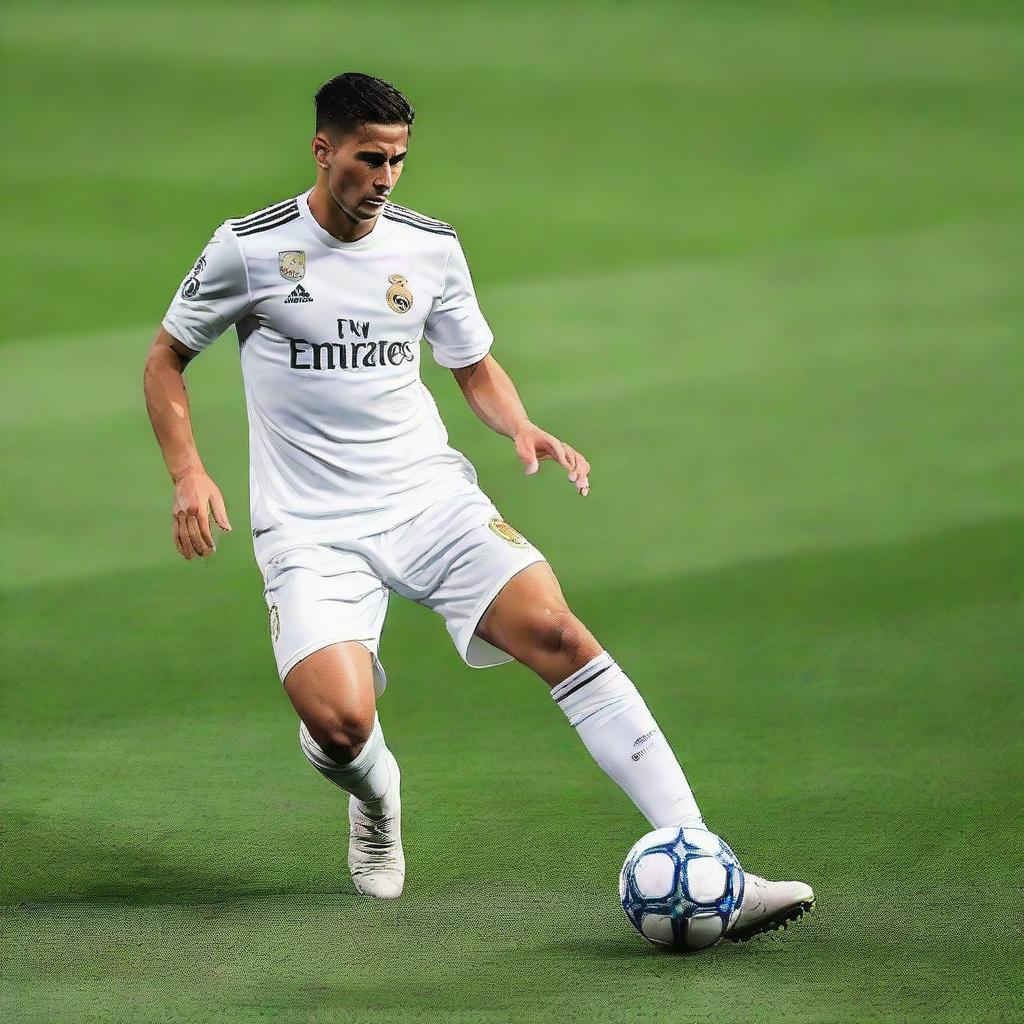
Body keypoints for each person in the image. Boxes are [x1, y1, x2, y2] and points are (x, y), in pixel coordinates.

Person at [143, 72, 813, 941]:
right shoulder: (251, 248)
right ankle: (377, 792)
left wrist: (520, 426)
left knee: (561, 633)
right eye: (369, 158)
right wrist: (188, 474)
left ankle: (706, 854)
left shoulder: (430, 250)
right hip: (312, 528)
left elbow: (471, 364)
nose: (385, 178)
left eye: (399, 161)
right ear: (324, 150)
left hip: (429, 498)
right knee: (340, 724)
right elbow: (166, 359)